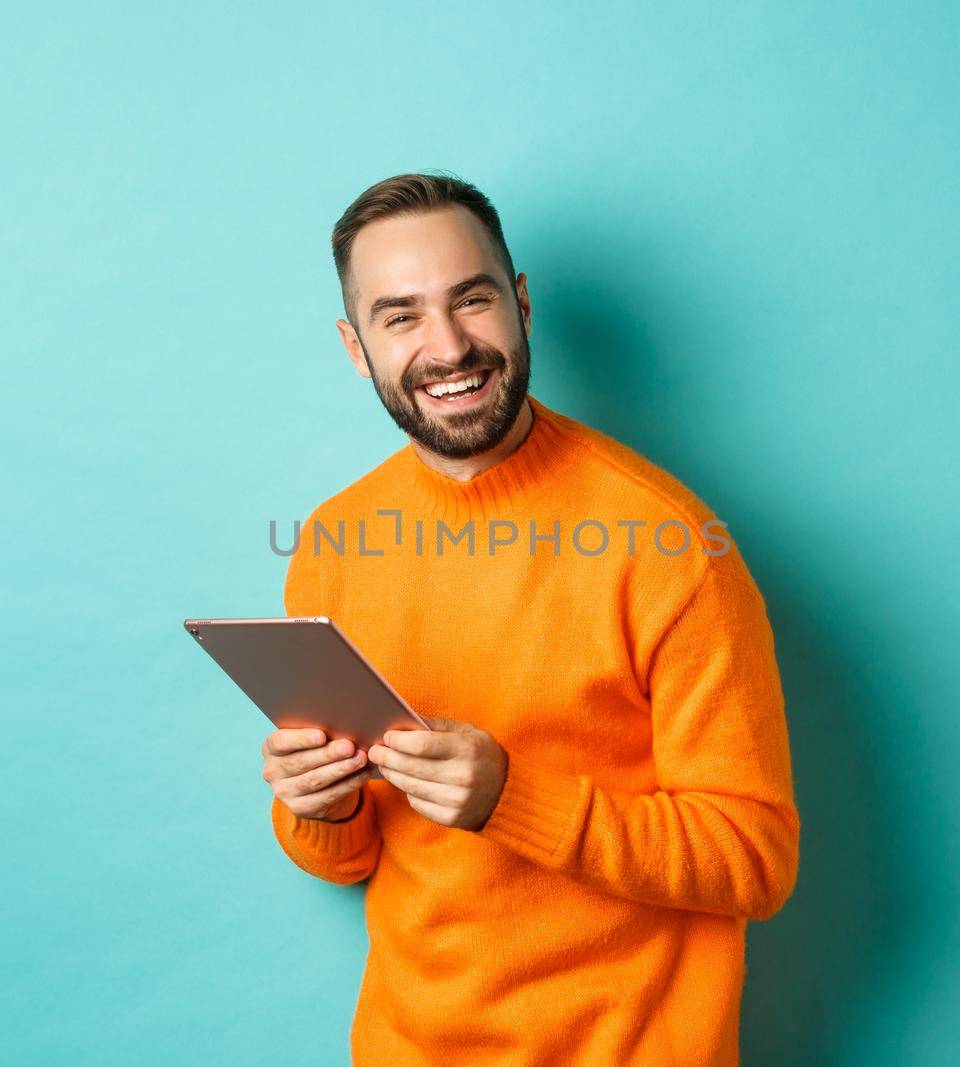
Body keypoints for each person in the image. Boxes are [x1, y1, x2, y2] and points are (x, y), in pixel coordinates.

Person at [260, 171, 799, 1066]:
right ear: (358, 348)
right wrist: (317, 801)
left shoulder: (666, 543)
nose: (447, 347)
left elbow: (755, 858)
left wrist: (514, 799)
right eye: (401, 317)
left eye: (470, 300)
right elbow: (344, 862)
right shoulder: (331, 543)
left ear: (519, 304)